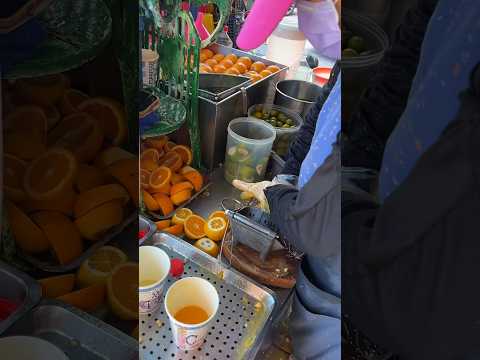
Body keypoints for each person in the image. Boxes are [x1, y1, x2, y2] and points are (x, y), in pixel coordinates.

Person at [342, 0, 480, 358]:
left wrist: (335, 220)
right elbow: (413, 45)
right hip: (394, 211)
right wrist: (361, 151)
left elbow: (425, 305)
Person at [233, 2, 342, 359]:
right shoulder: (348, 61)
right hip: (312, 225)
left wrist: (279, 197)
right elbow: (316, 119)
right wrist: (286, 176)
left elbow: (324, 222)